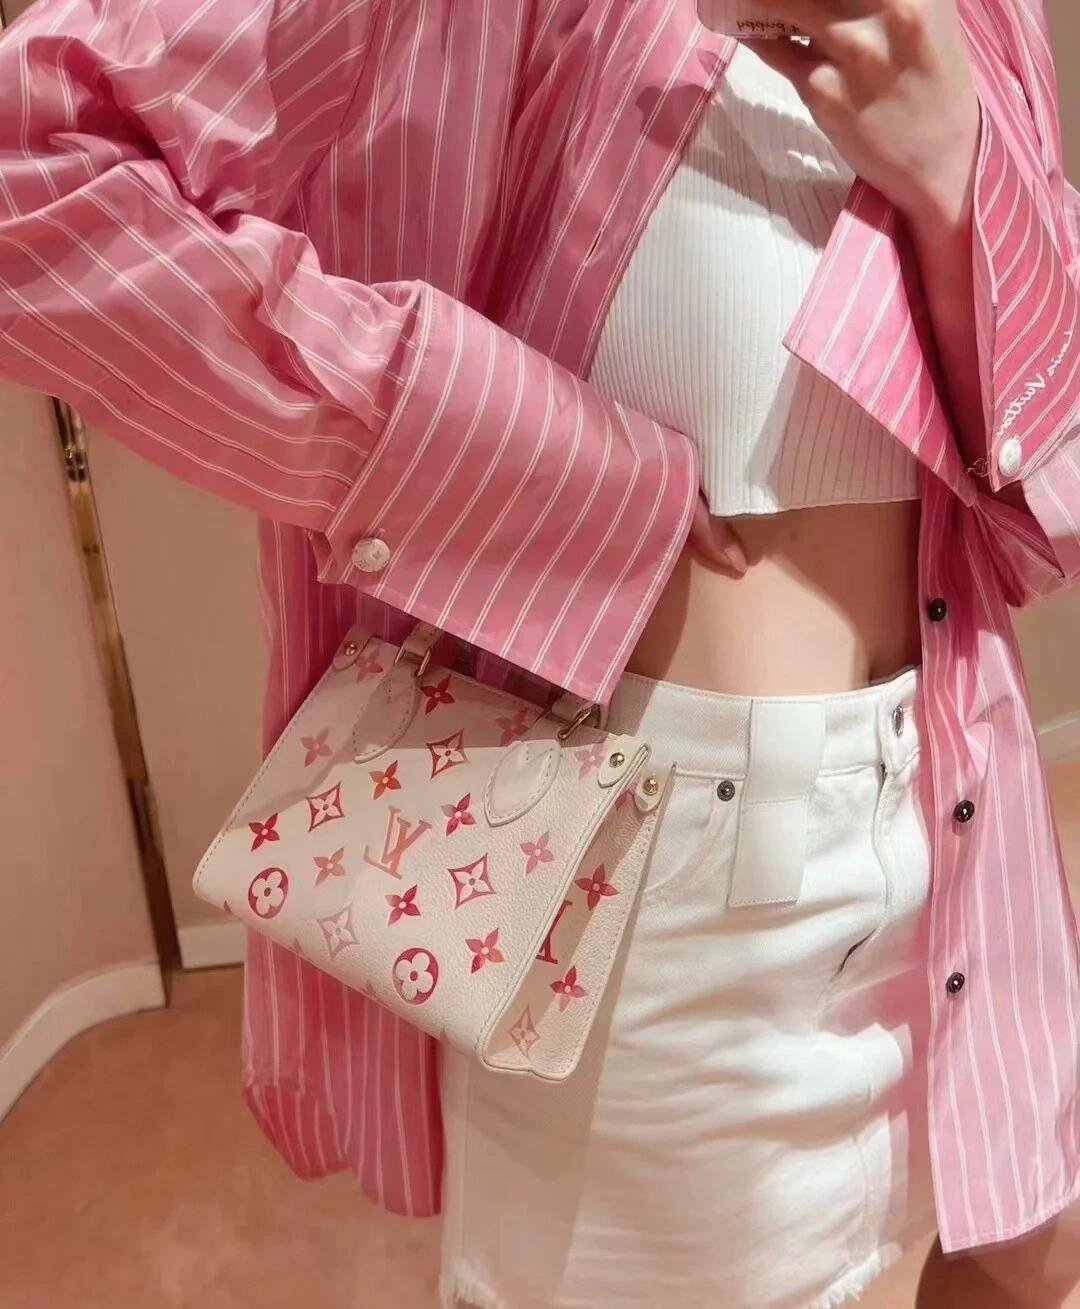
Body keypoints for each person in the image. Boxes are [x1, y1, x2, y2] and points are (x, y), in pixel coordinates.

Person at [0, 0, 1077, 1304]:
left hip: (962, 798)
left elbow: (1042, 493)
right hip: (666, 886)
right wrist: (518, 460)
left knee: (1021, 1253)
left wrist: (957, 175)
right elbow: (30, 168)